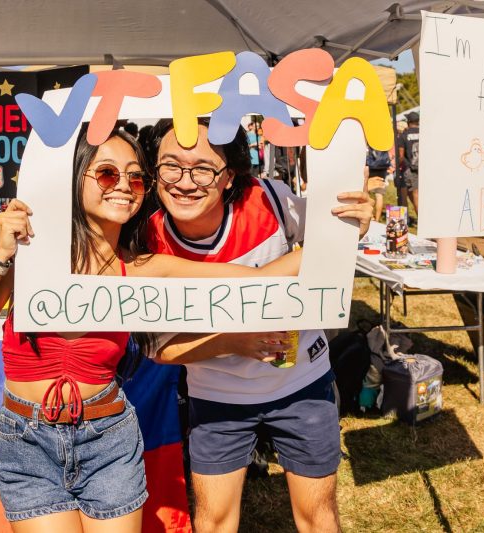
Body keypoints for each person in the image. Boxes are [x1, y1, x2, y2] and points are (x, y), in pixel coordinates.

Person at [0, 126, 305, 533]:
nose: (124, 187)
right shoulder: (32, 253)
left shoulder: (140, 268)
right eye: (107, 174)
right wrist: (2, 254)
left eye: (135, 177)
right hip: (27, 441)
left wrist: (340, 237)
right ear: (76, 178)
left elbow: (252, 278)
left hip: (107, 439)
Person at [144, 119, 372, 533]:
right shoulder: (150, 238)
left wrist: (356, 221)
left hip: (301, 383)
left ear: (229, 176)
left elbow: (333, 232)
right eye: (170, 166)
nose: (184, 182)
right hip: (216, 397)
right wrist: (234, 341)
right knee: (212, 520)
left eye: (203, 169)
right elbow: (159, 349)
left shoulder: (269, 198)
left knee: (318, 516)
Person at [398, 112, 420, 218]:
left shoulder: (404, 135)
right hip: (425, 168)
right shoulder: (425, 132)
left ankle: (422, 221)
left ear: (409, 122)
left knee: (415, 195)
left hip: (412, 169)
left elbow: (401, 156)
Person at [364, 145, 394, 221]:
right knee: (379, 194)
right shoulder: (384, 141)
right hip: (382, 168)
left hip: (371, 167)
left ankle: (369, 216)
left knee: (367, 192)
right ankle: (377, 219)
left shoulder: (370, 140)